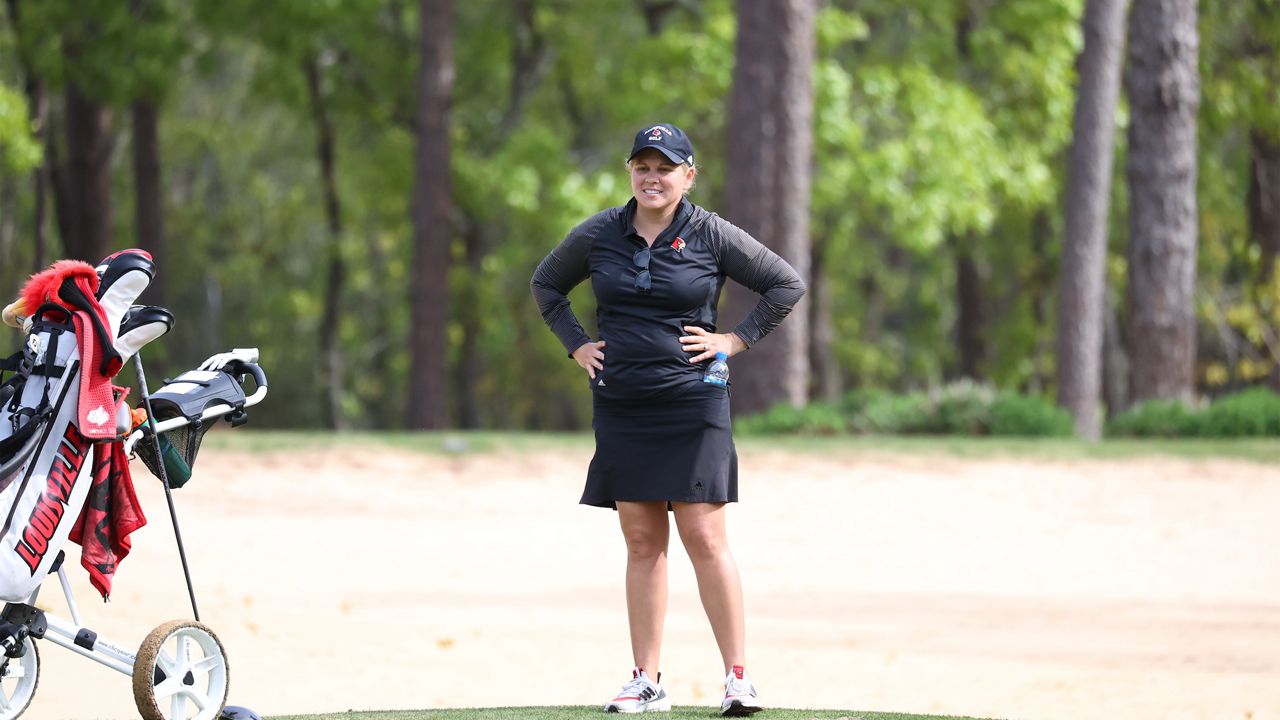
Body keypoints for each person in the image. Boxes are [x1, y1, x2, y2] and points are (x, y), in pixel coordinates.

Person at [530, 123, 805, 716]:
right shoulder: (602, 232)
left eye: (665, 167)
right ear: (630, 171)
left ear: (689, 174)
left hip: (693, 401)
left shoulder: (710, 233)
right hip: (624, 402)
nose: (651, 178)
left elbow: (785, 284)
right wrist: (578, 345)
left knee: (704, 535)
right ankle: (646, 680)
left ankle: (737, 678)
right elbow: (547, 284)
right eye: (641, 166)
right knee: (641, 540)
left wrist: (736, 339)